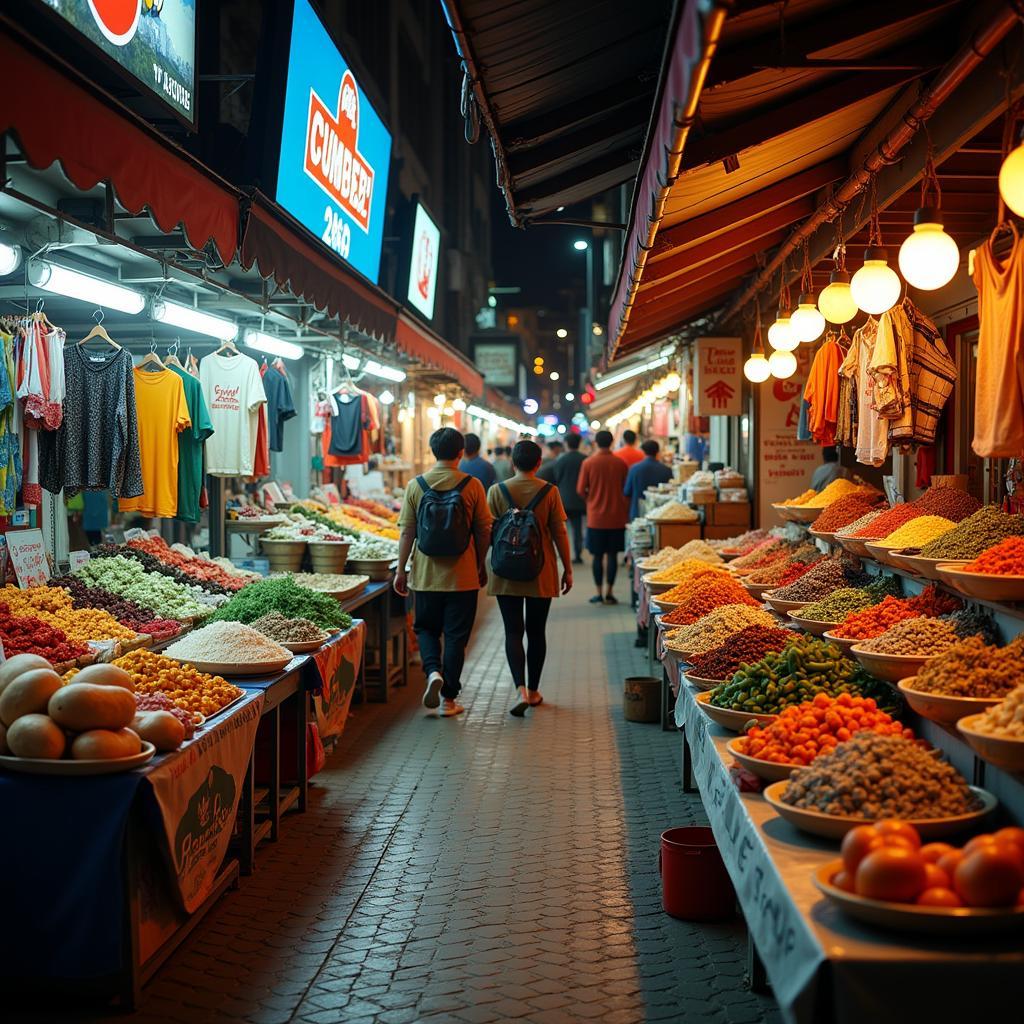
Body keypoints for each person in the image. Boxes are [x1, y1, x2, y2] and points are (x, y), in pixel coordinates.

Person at [395, 427, 492, 717]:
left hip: (425, 576)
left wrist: (402, 569)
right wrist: (480, 562)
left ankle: (432, 672)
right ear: (461, 453)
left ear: (432, 451)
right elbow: (485, 529)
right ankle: (449, 699)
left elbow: (406, 532)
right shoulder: (472, 485)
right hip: (462, 577)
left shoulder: (417, 484)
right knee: (456, 636)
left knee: (425, 628)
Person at [487, 440, 573, 716]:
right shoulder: (549, 491)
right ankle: (534, 691)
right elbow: (560, 532)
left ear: (513, 463)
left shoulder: (497, 491)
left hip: (504, 573)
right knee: (536, 632)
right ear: (538, 463)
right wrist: (567, 568)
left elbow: (486, 531)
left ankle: (519, 689)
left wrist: (480, 564)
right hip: (541, 572)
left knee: (513, 631)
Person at [577, 429, 629, 605]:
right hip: (617, 517)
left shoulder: (588, 463)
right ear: (612, 442)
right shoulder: (620, 463)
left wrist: (591, 500)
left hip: (595, 518)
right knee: (613, 556)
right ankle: (610, 593)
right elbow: (626, 489)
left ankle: (598, 593)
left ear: (596, 443)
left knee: (597, 557)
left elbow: (580, 489)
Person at [551, 432, 587, 563]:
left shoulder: (561, 460)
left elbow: (556, 478)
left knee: (561, 530)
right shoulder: (585, 459)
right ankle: (578, 555)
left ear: (566, 444)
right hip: (579, 500)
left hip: (563, 500)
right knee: (578, 529)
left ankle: (561, 554)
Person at [623, 440, 673, 521]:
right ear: (658, 452)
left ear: (643, 452)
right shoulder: (667, 470)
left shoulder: (634, 469)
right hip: (660, 513)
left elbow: (627, 492)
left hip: (638, 513)